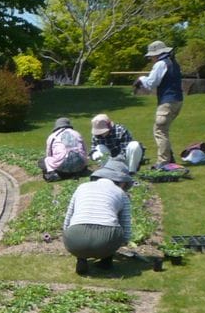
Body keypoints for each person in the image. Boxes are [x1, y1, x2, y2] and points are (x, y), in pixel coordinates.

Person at [63, 160, 135, 275]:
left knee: (80, 227)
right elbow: (125, 224)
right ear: (120, 182)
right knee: (114, 225)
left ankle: (81, 258)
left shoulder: (82, 187)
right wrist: (122, 241)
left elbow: (68, 216)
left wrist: (66, 234)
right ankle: (106, 261)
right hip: (106, 241)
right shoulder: (121, 193)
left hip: (74, 240)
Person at [134, 40, 184, 168]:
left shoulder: (160, 64)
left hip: (167, 101)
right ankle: (169, 157)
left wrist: (141, 79)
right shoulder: (173, 63)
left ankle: (163, 162)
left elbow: (151, 83)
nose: (151, 59)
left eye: (151, 56)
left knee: (159, 131)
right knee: (163, 130)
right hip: (177, 100)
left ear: (157, 54)